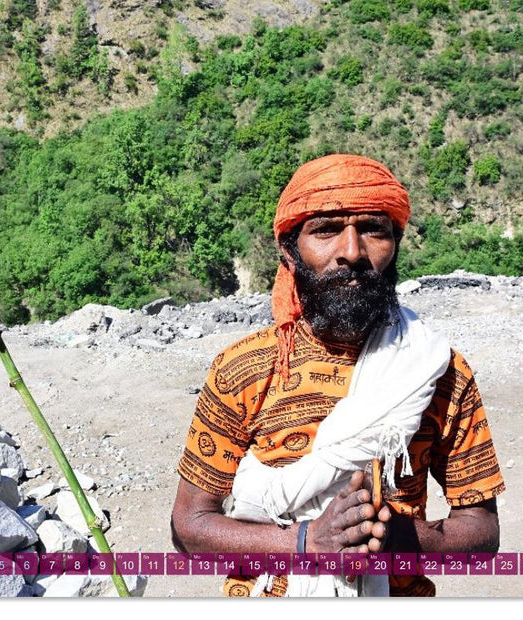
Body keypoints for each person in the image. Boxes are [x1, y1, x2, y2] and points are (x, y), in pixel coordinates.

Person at [171, 154, 505, 597]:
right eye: (326, 230)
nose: (352, 251)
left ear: (396, 243)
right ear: (289, 250)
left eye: (373, 229)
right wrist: (305, 542)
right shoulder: (244, 369)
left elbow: (482, 533)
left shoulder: (437, 371)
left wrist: (394, 539)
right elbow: (188, 527)